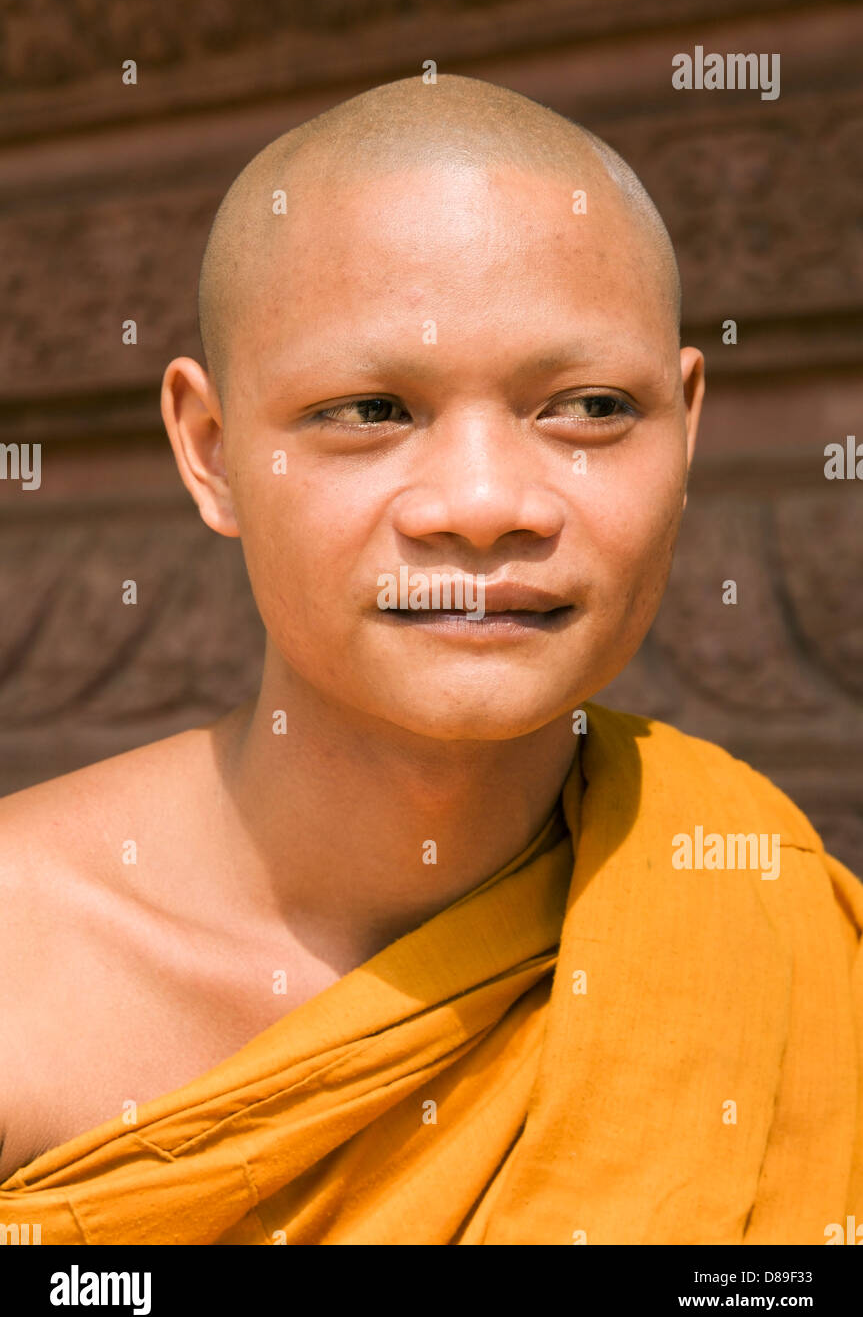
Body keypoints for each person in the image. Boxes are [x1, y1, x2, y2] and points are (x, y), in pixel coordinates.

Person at [0, 75, 860, 1246]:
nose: (481, 504)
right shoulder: (22, 967)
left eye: (589, 405)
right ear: (209, 453)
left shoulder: (764, 916)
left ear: (685, 424)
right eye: (369, 411)